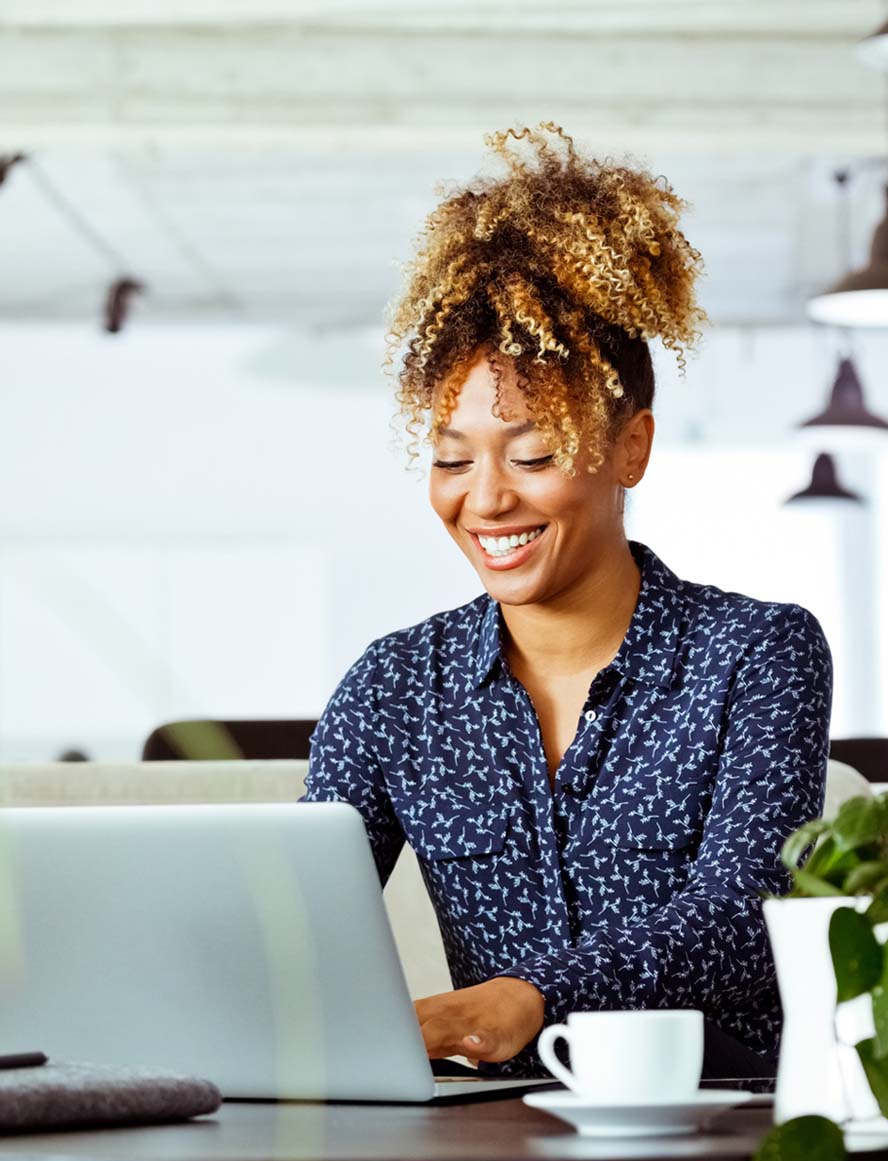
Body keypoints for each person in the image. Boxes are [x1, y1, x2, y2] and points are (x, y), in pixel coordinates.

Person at [301, 123, 832, 1078]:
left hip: (719, 1118)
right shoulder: (393, 689)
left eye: (534, 454)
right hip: (493, 1131)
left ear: (631, 448)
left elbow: (749, 916)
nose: (487, 497)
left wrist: (532, 995)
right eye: (452, 459)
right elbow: (299, 928)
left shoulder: (758, 654)